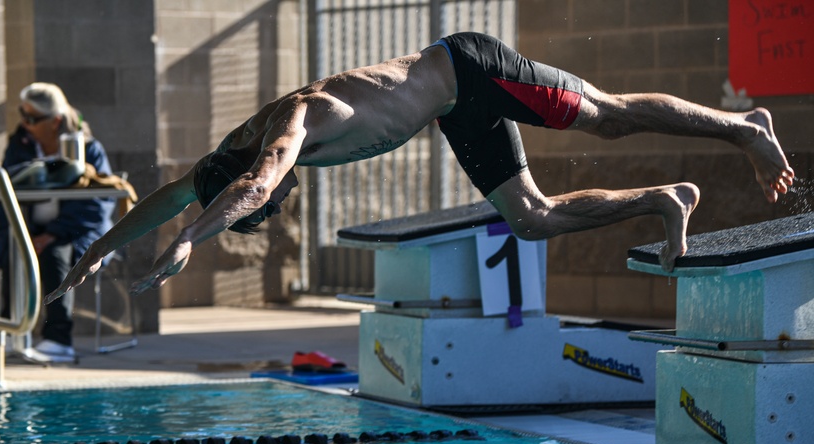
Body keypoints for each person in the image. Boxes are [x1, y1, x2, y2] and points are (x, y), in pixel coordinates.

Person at [44, 32, 793, 305]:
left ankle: (743, 127)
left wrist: (189, 241)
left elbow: (255, 185)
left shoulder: (290, 127)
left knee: (610, 115)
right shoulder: (224, 155)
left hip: (472, 69)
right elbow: (166, 195)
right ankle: (663, 198)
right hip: (453, 110)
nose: (284, 197)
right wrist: (104, 249)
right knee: (528, 220)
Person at [0, 82, 117, 363]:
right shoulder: (20, 145)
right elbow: (6, 186)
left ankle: (59, 340)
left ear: (55, 121)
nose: (25, 124)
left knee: (55, 254)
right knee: (16, 251)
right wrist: (19, 232)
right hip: (29, 227)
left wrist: (53, 234)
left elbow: (96, 205)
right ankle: (6, 333)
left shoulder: (88, 149)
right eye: (22, 116)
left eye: (33, 119)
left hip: (75, 232)